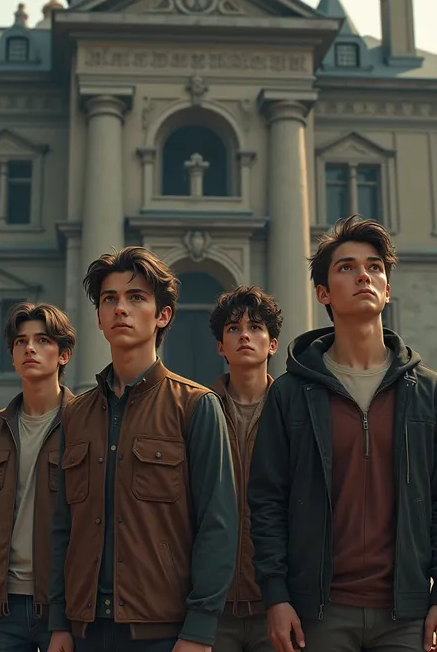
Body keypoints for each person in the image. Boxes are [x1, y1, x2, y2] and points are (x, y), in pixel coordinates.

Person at [248, 215, 437, 652]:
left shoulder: (426, 391)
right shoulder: (292, 393)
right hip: (320, 612)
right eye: (346, 267)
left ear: (387, 289)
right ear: (323, 293)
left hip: (405, 615)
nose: (363, 276)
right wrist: (276, 597)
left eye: (374, 267)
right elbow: (267, 500)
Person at [48, 247, 238, 652]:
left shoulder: (196, 406)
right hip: (84, 631)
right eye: (109, 299)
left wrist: (199, 631)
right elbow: (62, 526)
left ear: (163, 315)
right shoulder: (76, 415)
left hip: (165, 633)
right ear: (98, 318)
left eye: (136, 297)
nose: (121, 308)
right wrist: (59, 621)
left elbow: (218, 525)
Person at [0, 302, 76, 652]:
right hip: (3, 608)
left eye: (42, 340)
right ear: (12, 355)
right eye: (21, 341)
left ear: (64, 355)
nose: (29, 348)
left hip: (65, 608)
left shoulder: (86, 427)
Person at [209, 286, 282, 652]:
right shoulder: (198, 412)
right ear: (221, 346)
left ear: (272, 344)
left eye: (255, 328)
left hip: (277, 605)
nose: (244, 336)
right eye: (233, 329)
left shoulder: (292, 414)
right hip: (213, 608)